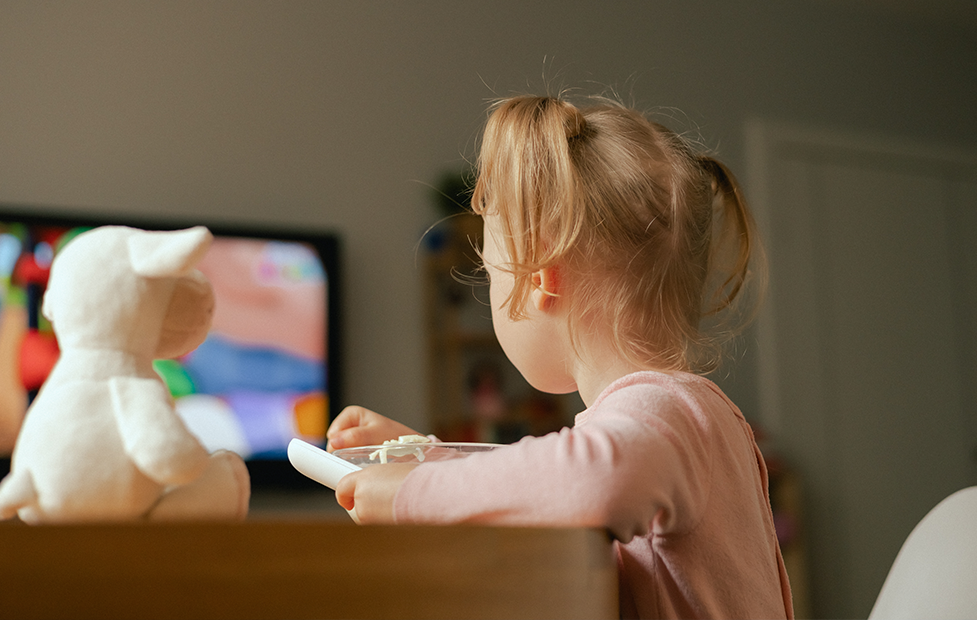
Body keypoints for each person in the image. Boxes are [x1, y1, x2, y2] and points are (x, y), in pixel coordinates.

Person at [327, 94, 793, 619]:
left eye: (491, 275)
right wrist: (426, 458)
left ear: (539, 281)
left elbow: (591, 477)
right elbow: (553, 483)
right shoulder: (676, 418)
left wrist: (414, 495)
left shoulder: (667, 412)